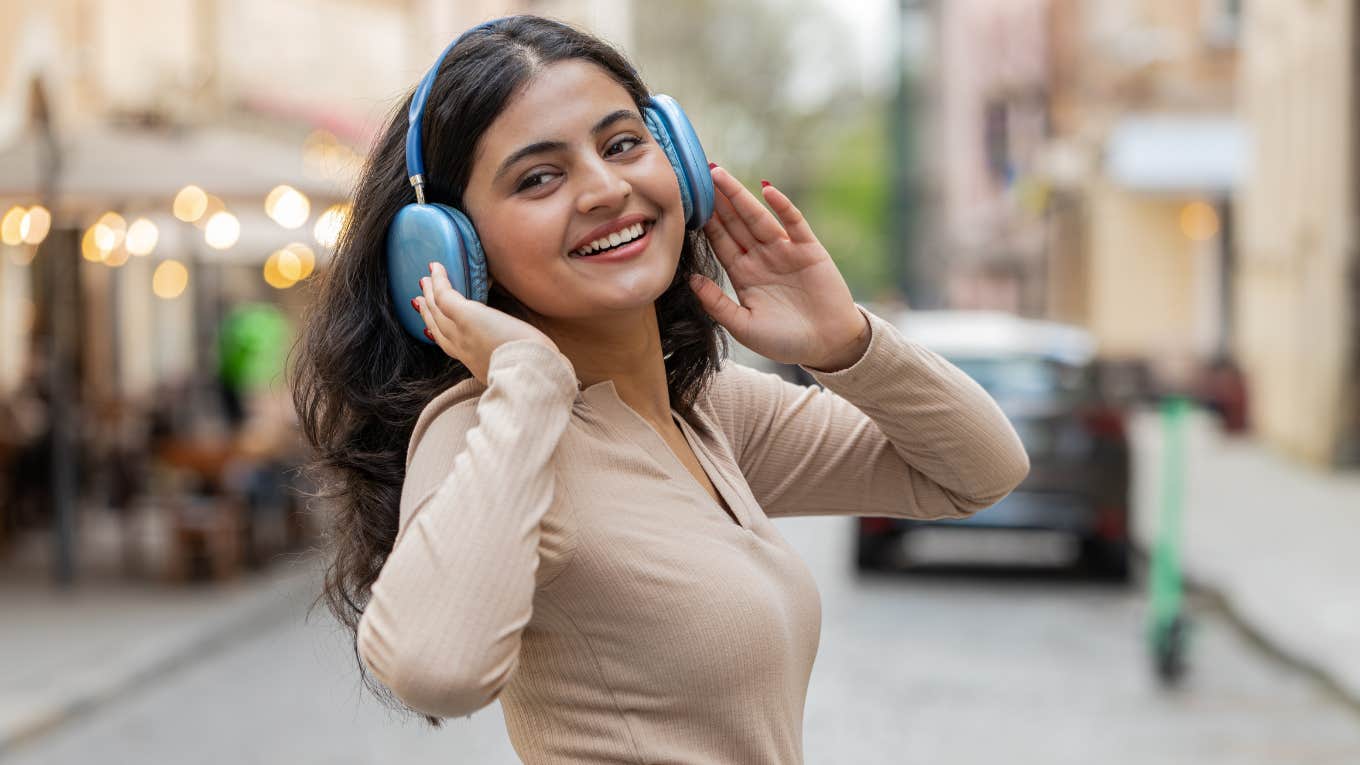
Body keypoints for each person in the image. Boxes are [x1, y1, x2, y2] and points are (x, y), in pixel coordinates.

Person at [291, 15, 1029, 764]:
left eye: (621, 144)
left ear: (673, 157)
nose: (607, 189)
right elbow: (432, 670)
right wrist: (531, 380)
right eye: (539, 177)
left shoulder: (708, 410)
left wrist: (846, 343)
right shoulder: (489, 428)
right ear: (449, 245)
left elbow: (979, 471)